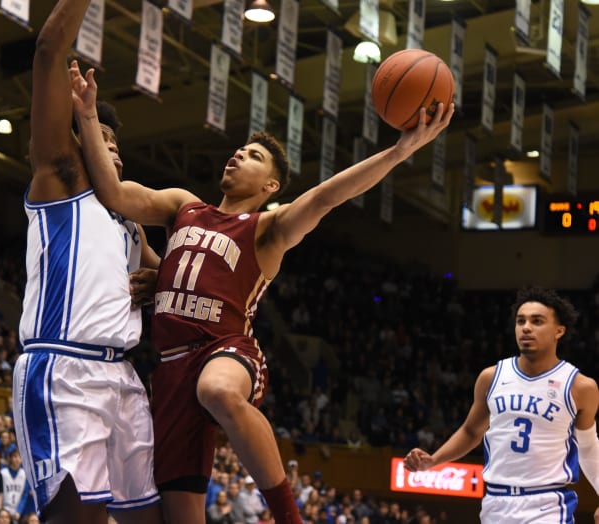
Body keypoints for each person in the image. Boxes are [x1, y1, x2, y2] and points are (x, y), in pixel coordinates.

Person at [70, 59, 453, 524]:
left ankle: (290, 518)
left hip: (226, 351)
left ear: (271, 185)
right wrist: (87, 116)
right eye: (238, 150)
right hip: (169, 371)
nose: (237, 156)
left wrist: (400, 150)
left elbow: (329, 196)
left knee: (217, 391)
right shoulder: (183, 207)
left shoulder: (267, 228)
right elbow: (112, 192)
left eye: (252, 156)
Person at [10, 1, 162, 523]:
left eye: (117, 148)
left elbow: (182, 281)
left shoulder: (131, 225)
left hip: (123, 377)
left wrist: (158, 279)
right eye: (101, 140)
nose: (111, 152)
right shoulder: (64, 181)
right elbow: (50, 50)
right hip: (64, 370)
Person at [404, 287, 599, 523]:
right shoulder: (491, 377)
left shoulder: (580, 386)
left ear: (559, 331)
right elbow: (470, 431)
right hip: (495, 502)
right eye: (521, 321)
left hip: (546, 503)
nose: (526, 327)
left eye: (537, 321)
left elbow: (588, 448)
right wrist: (433, 460)